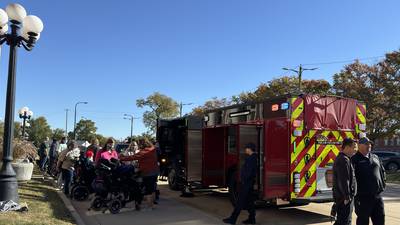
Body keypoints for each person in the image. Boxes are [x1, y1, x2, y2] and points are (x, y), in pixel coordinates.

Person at [352, 137, 386, 225]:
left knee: (380, 219)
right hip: (363, 197)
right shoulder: (354, 159)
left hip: (377, 196)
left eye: (370, 144)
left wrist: (383, 184)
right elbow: (351, 178)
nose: (369, 145)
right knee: (363, 221)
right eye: (366, 144)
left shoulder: (375, 157)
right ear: (359, 145)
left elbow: (382, 171)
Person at [120, 138, 159, 211]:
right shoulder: (152, 149)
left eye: (139, 144)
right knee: (153, 189)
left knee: (148, 191)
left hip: (148, 173)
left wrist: (121, 158)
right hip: (155, 171)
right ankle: (152, 205)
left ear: (142, 144)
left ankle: (150, 207)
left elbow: (133, 157)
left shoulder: (144, 151)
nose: (139, 146)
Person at [223, 143, 257, 225]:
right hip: (249, 183)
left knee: (239, 202)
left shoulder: (250, 159)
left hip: (247, 184)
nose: (245, 150)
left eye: (246, 148)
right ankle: (252, 219)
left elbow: (248, 173)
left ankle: (232, 219)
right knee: (250, 202)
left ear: (250, 149)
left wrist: (243, 180)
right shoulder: (254, 158)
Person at [332, 138, 357, 225]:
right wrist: (347, 196)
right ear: (347, 147)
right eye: (354, 147)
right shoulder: (344, 160)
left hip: (342, 197)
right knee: (345, 221)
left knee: (341, 221)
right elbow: (343, 180)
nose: (355, 150)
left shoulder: (344, 158)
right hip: (344, 198)